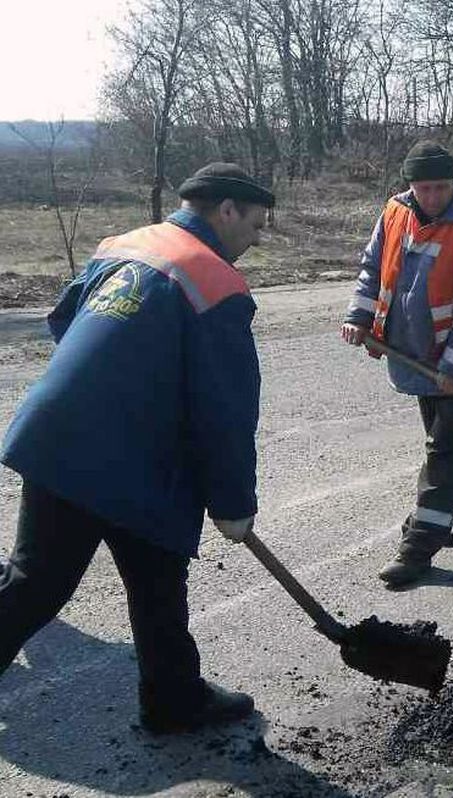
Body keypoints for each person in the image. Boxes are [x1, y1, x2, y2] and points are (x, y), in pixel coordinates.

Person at [0, 163, 272, 734]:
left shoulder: (123, 244)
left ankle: (174, 697)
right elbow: (224, 410)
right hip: (114, 453)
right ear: (226, 210)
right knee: (63, 583)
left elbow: (65, 322)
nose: (256, 236)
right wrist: (232, 504)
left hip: (59, 435)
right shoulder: (216, 281)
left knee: (140, 572)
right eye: (254, 222)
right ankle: (173, 698)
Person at [341, 141, 453, 589]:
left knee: (444, 453)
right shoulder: (396, 213)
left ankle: (416, 548)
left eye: (441, 187)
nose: (433, 197)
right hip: (422, 359)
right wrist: (359, 316)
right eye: (424, 188)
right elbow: (372, 267)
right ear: (411, 186)